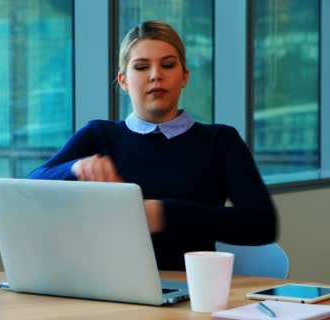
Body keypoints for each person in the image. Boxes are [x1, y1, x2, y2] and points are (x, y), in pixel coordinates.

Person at [27, 20, 277, 271]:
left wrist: (166, 214)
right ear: (123, 80)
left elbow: (263, 224)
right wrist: (74, 168)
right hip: (109, 288)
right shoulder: (99, 135)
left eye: (167, 65)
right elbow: (29, 188)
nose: (156, 75)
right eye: (141, 67)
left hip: (191, 293)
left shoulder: (221, 141)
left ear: (184, 77)